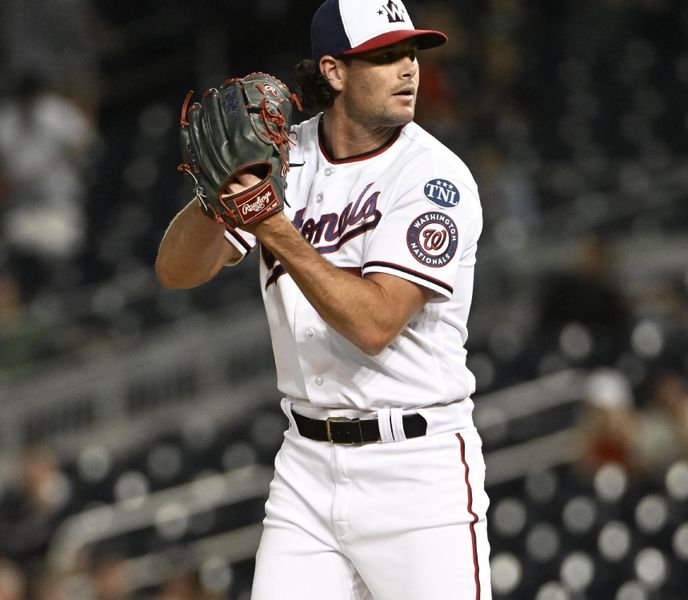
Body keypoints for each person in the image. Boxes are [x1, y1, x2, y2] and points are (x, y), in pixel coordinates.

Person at [155, 1, 490, 598]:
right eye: (385, 56)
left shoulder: (433, 177)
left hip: (415, 471)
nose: (408, 68)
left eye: (410, 52)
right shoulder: (285, 154)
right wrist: (217, 194)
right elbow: (176, 272)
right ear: (334, 71)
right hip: (305, 464)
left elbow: (376, 322)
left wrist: (274, 225)